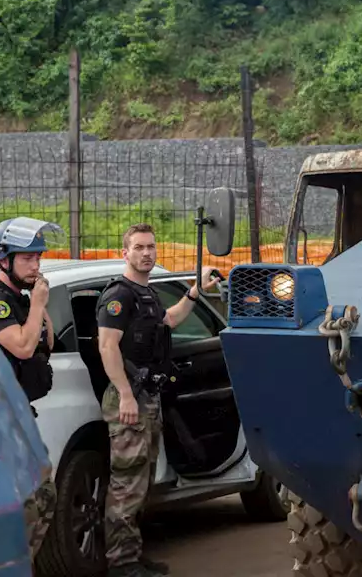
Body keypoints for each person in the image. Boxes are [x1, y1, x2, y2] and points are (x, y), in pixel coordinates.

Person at [95, 223, 219, 577]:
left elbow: (170, 320)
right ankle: (121, 565)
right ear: (125, 253)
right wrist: (125, 394)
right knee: (126, 485)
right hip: (129, 398)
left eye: (151, 247)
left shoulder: (146, 295)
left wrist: (194, 293)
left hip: (147, 397)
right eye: (138, 247)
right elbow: (107, 346)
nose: (146, 253)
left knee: (142, 482)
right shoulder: (120, 295)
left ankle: (132, 555)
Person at [0, 216, 61, 561]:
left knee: (44, 497)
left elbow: (46, 343)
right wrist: (36, 304)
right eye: (28, 258)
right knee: (21, 505)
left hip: (21, 414)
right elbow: (23, 347)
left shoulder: (21, 299)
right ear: (3, 259)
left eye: (38, 257)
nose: (36, 264)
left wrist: (38, 303)